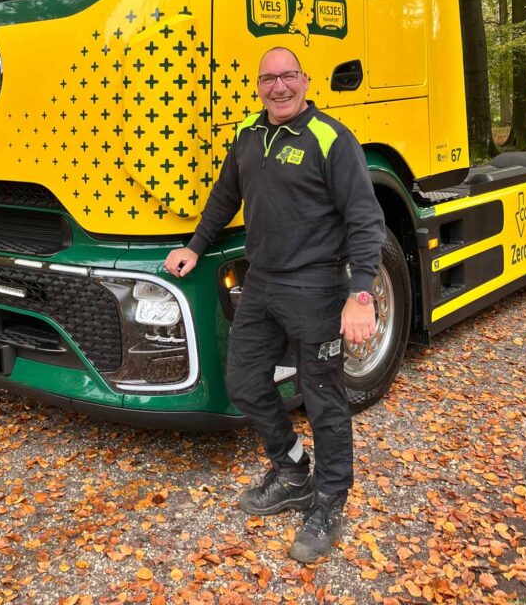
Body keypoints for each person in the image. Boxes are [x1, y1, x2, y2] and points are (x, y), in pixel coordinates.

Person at [164, 45, 385, 563]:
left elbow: (365, 219)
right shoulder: (249, 134)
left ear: (306, 81)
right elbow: (225, 196)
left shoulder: (330, 138)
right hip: (261, 282)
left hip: (316, 287)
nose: (279, 87)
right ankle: (292, 470)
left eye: (288, 77)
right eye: (268, 79)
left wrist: (361, 294)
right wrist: (195, 246)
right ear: (258, 86)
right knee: (243, 382)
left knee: (322, 397)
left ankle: (329, 500)